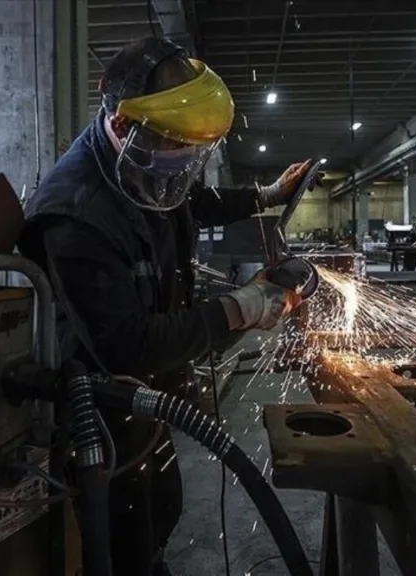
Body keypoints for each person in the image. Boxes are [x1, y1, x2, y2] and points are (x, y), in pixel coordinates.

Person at [17, 37, 316, 575]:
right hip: (99, 411)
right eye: (171, 147)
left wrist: (265, 196)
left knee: (162, 509)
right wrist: (245, 305)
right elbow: (126, 345)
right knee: (121, 540)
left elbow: (191, 199)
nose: (180, 163)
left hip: (150, 397)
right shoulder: (74, 215)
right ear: (123, 125)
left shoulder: (147, 160)